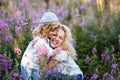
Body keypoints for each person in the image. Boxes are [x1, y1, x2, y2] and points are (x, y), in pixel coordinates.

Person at [20, 12, 61, 80]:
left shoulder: (45, 38)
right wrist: (56, 51)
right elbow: (45, 54)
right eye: (53, 30)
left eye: (56, 30)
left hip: (35, 65)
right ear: (46, 30)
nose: (55, 33)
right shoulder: (40, 41)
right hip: (28, 66)